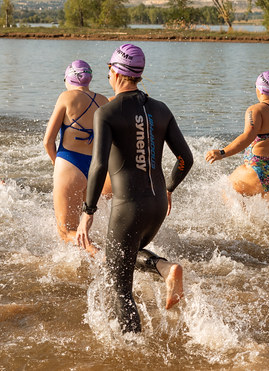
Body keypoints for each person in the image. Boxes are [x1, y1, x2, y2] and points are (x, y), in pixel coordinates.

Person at [75, 44, 194, 329]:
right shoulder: (161, 109)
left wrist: (88, 210)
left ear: (115, 72)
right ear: (138, 74)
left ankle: (132, 352)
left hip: (128, 207)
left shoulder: (107, 112)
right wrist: (168, 189)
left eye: (108, 71)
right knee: (123, 255)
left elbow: (98, 166)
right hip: (156, 206)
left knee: (121, 291)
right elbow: (185, 159)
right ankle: (165, 268)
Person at [42, 60, 112, 246]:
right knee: (85, 227)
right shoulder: (103, 101)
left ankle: (102, 260)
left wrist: (55, 161)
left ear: (68, 79)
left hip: (70, 164)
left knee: (66, 232)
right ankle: (93, 264)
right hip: (96, 170)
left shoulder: (66, 97)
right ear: (89, 79)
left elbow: (48, 141)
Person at [205, 71, 269, 201]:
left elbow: (247, 137)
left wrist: (222, 153)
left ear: (259, 89)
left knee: (227, 187)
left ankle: (243, 221)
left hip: (261, 166)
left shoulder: (255, 110)